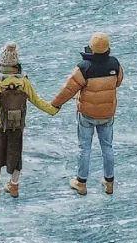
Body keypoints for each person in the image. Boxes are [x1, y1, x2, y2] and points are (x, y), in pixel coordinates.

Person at [0, 42, 58, 200]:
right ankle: (14, 186)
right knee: (15, 155)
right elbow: (36, 99)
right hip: (17, 125)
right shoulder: (23, 81)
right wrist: (52, 109)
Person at [52, 32, 124, 196]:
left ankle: (81, 183)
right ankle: (109, 182)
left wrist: (55, 105)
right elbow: (119, 81)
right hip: (107, 114)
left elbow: (69, 89)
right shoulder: (115, 64)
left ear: (91, 48)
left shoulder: (84, 67)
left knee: (85, 148)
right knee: (107, 147)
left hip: (87, 115)